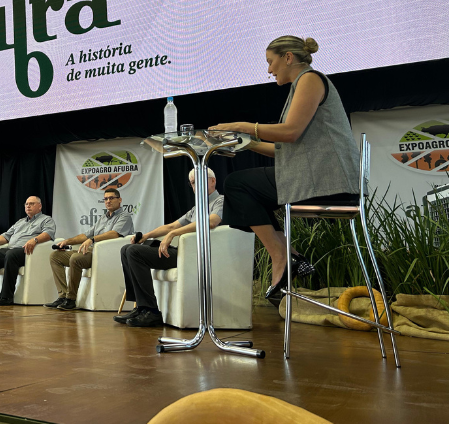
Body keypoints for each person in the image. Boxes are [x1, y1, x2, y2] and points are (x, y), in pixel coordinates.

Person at [210, 35, 354, 305]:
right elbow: (285, 150)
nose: (269, 70)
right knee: (244, 189)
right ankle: (288, 255)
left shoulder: (310, 79)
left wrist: (242, 126)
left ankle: (282, 256)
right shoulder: (301, 85)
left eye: (270, 62)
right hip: (314, 178)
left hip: (327, 182)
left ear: (288, 57)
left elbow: (290, 132)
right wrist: (246, 143)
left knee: (238, 184)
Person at [114, 168, 224, 327]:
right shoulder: (195, 209)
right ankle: (141, 307)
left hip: (196, 256)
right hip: (183, 252)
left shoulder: (220, 201)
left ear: (213, 181)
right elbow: (171, 226)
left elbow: (212, 221)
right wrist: (146, 236)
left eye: (200, 180)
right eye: (193, 183)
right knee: (126, 249)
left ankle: (151, 311)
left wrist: (173, 234)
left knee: (134, 252)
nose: (196, 186)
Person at [45, 188, 134, 310]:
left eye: (111, 198)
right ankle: (62, 296)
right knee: (55, 256)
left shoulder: (125, 216)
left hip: (105, 254)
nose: (108, 201)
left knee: (76, 258)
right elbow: (85, 235)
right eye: (106, 199)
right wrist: (67, 241)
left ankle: (71, 299)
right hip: (92, 251)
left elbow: (114, 234)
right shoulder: (103, 218)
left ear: (120, 200)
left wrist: (92, 239)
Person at [0, 196, 56, 306]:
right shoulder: (20, 222)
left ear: (40, 206)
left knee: (11, 254)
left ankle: (6, 297)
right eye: (26, 204)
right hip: (11, 250)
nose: (28, 206)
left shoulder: (46, 220)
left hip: (27, 252)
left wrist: (35, 240)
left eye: (32, 203)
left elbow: (48, 234)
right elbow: (6, 236)